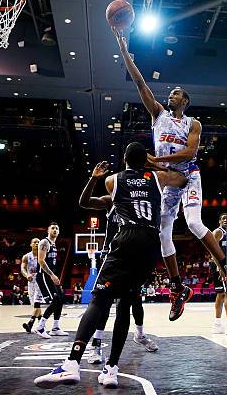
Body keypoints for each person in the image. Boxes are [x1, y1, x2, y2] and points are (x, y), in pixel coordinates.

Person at [34, 142, 187, 389]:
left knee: (99, 301)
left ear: (124, 159)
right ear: (144, 160)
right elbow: (182, 179)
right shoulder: (158, 178)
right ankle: (112, 369)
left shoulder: (113, 181)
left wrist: (94, 178)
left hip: (126, 238)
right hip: (151, 242)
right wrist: (154, 164)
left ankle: (72, 363)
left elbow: (85, 203)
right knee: (125, 304)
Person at [113, 28, 227, 321]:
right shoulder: (158, 114)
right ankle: (178, 288)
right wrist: (124, 53)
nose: (170, 94)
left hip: (189, 175)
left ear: (185, 101)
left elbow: (190, 154)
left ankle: (226, 269)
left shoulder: (193, 123)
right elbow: (140, 82)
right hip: (168, 182)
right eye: (170, 92)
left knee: (194, 223)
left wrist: (159, 159)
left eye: (176, 93)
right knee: (162, 234)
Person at [78, 160, 160, 365]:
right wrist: (93, 179)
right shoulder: (112, 200)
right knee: (104, 303)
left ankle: (138, 336)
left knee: (134, 301)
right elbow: (85, 202)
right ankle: (96, 346)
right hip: (113, 253)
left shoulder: (142, 205)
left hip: (134, 254)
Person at [33, 222, 68, 339]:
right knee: (55, 300)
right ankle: (40, 327)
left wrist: (54, 276)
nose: (55, 230)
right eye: (52, 228)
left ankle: (55, 328)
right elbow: (41, 261)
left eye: (57, 228)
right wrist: (52, 275)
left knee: (61, 298)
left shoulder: (53, 244)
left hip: (50, 276)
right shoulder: (44, 242)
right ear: (48, 230)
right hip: (43, 276)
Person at [211, 213, 227, 334]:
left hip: (225, 265)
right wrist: (220, 267)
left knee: (220, 294)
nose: (226, 220)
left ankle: (217, 324)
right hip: (219, 265)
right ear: (219, 221)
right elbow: (212, 250)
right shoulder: (218, 232)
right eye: (223, 218)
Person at [21, 238, 43, 333]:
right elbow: (22, 269)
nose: (36, 243)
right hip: (31, 283)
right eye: (34, 242)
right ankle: (41, 325)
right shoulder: (26, 256)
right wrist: (27, 275)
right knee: (35, 305)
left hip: (40, 282)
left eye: (38, 242)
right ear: (31, 244)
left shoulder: (42, 256)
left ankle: (30, 323)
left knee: (36, 303)